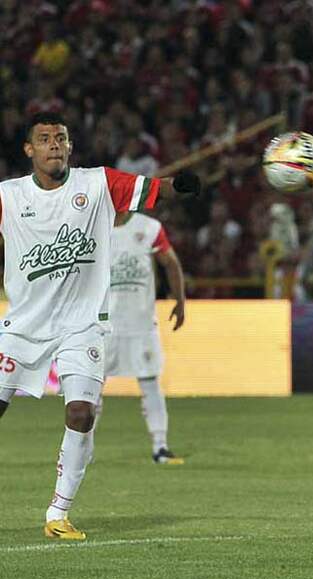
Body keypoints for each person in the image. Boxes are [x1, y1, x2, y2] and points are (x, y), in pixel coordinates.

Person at [0, 112, 200, 540]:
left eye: (61, 137)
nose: (54, 144)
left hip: (83, 324)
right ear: (29, 149)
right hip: (24, 325)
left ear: (70, 146)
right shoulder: (9, 195)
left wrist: (180, 185)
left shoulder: (97, 184)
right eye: (44, 138)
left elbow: (154, 188)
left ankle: (58, 513)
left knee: (82, 412)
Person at [102, 211, 186, 464]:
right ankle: (82, 450)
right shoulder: (93, 226)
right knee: (90, 388)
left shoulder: (149, 227)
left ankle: (160, 446)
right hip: (103, 325)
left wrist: (180, 300)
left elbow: (170, 262)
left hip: (141, 324)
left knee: (150, 383)